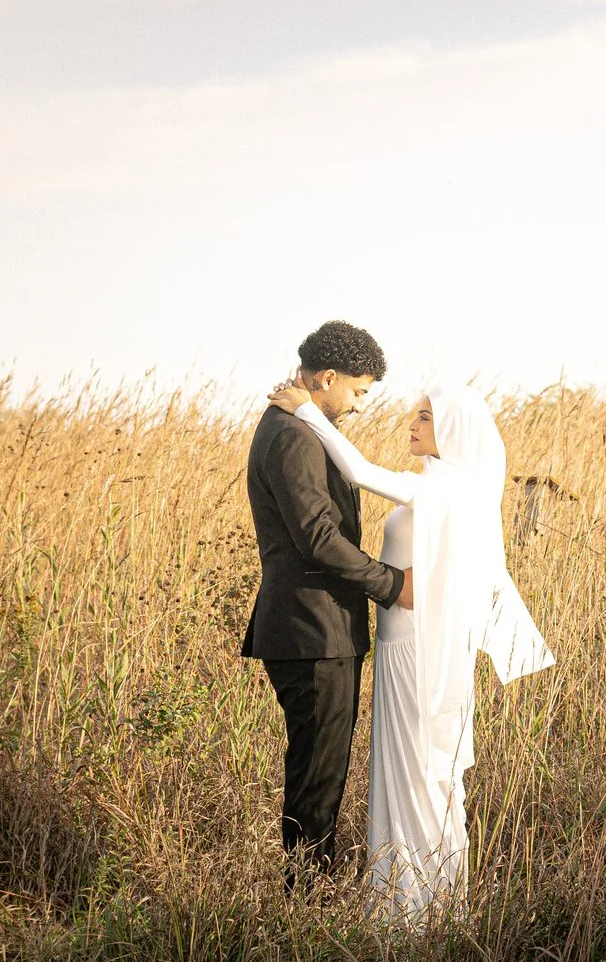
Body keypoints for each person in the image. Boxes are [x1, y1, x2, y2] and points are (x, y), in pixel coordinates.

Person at [267, 376, 554, 920]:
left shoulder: (447, 487)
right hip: (401, 648)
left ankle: (424, 913)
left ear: (452, 429)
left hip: (419, 652)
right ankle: (409, 906)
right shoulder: (442, 485)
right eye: (416, 415)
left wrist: (308, 413)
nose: (412, 424)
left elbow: (359, 472)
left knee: (423, 773)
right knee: (406, 775)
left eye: (424, 417)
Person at [239, 321, 410, 891]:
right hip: (312, 633)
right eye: (359, 392)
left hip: (317, 632)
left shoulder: (298, 426)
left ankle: (305, 898)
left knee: (319, 774)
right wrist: (390, 585)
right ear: (327, 378)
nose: (360, 406)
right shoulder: (290, 435)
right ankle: (304, 908)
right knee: (317, 780)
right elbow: (316, 537)